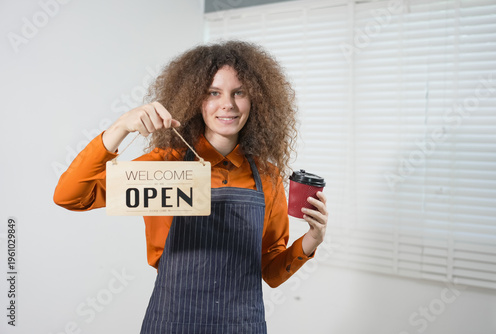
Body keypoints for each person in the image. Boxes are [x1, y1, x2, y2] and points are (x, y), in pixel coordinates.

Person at [53, 40, 328, 334]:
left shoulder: (267, 177)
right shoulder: (165, 164)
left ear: (256, 100)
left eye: (240, 93)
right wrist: (119, 127)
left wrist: (312, 239)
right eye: (213, 93)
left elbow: (271, 272)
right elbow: (71, 197)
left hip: (241, 326)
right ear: (195, 99)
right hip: (171, 323)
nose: (228, 105)